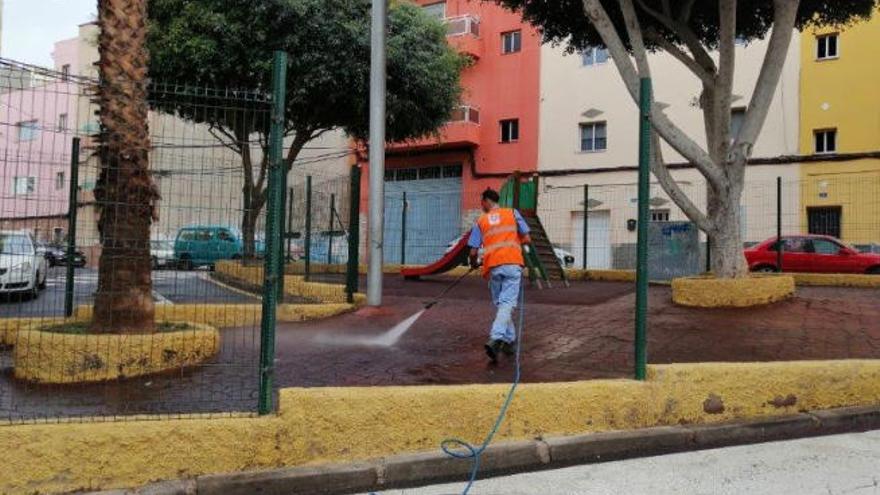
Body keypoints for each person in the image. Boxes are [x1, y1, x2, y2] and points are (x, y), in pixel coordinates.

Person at [468, 187, 531, 363]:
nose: (481, 205)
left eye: (481, 202)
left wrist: (474, 264)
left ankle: (504, 340)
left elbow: (473, 252)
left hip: (493, 268)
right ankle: (500, 338)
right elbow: (527, 238)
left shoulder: (481, 221)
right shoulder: (512, 213)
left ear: (487, 201)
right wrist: (514, 241)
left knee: (502, 304)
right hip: (512, 264)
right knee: (506, 304)